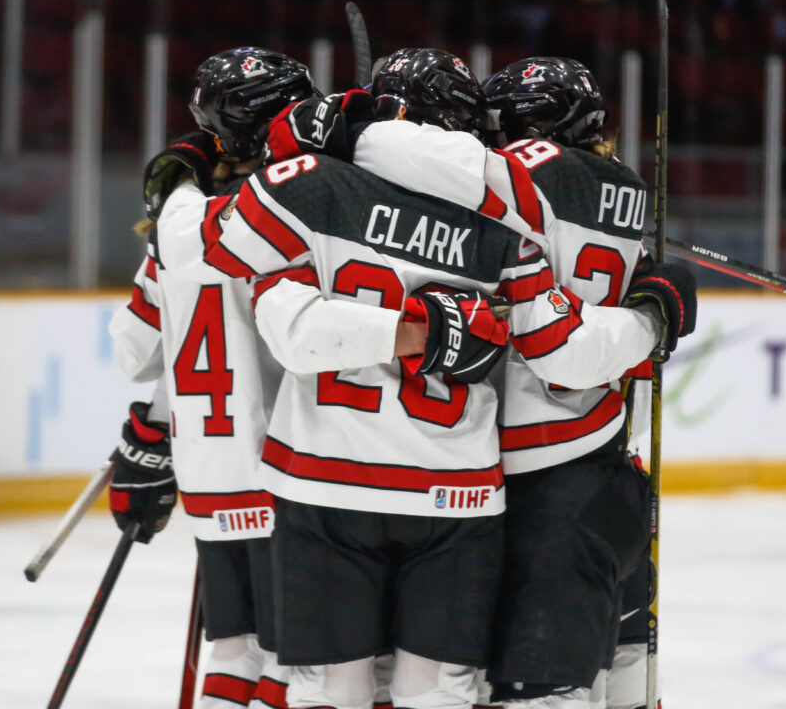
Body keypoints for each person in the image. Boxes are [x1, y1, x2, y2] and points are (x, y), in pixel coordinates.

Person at [171, 47, 659, 709]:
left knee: (329, 690)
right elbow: (551, 341)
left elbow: (218, 267)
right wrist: (650, 316)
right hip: (470, 488)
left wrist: (182, 179)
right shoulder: (508, 226)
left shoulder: (311, 185)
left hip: (323, 482)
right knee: (471, 691)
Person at [481, 56, 696, 709]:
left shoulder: (505, 180)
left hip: (538, 492)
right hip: (610, 481)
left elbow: (556, 350)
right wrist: (653, 316)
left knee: (540, 695)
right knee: (623, 680)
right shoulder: (628, 190)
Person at [107, 46, 316, 709]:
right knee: (299, 662)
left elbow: (134, 353)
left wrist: (154, 431)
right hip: (293, 467)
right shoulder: (303, 213)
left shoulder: (174, 227)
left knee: (236, 653)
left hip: (211, 475)